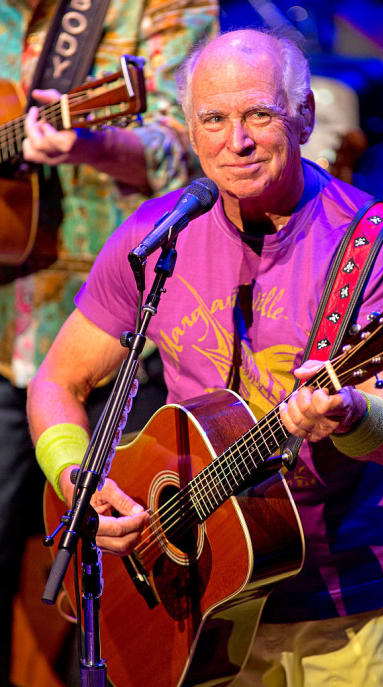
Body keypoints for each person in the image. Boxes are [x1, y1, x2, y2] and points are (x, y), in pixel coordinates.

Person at [27, 28, 383, 687]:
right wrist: (79, 482)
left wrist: (350, 409)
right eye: (213, 118)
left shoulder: (376, 244)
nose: (234, 141)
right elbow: (56, 382)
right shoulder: (158, 235)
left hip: (349, 600)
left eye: (259, 115)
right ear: (189, 128)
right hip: (198, 598)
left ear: (303, 117)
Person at [0, 2, 218, 684]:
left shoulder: (163, 6)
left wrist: (90, 141)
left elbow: (188, 150)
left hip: (121, 348)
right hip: (6, 327)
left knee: (122, 590)